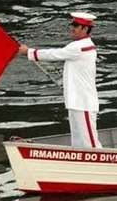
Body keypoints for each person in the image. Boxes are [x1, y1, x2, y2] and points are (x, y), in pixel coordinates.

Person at [18, 12, 101, 148]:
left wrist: (29, 52)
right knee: (77, 142)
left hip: (84, 103)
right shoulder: (78, 46)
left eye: (76, 25)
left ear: (85, 29)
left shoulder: (81, 47)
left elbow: (55, 54)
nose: (72, 28)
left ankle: (100, 167)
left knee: (90, 144)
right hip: (75, 101)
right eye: (72, 24)